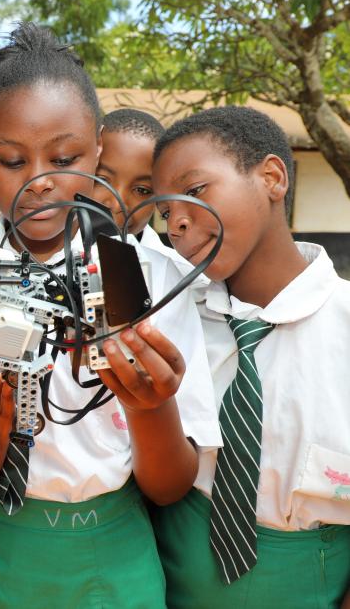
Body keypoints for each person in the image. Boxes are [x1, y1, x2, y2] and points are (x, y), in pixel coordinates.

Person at [0, 23, 221, 608]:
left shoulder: (151, 278)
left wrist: (149, 404)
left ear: (98, 151)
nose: (41, 181)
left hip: (111, 556)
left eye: (64, 157)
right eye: (10, 160)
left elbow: (169, 486)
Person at [152, 106, 350, 608]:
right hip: (169, 582)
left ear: (272, 178)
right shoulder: (172, 318)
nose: (175, 221)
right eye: (164, 211)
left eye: (195, 192)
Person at [94, 107, 196, 276]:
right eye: (102, 180)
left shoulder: (183, 278)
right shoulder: (39, 258)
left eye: (141, 190)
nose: (117, 203)